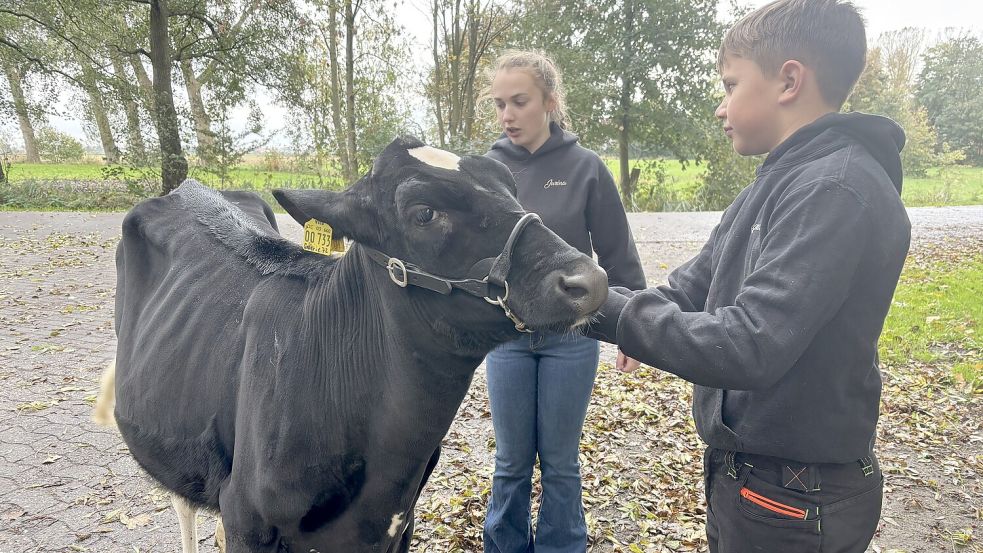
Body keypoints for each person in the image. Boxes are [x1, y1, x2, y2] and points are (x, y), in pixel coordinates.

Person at [591, 1, 911, 551]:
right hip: (756, 480)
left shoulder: (834, 189)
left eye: (730, 84)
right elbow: (694, 284)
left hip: (793, 496)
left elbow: (750, 344)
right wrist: (613, 305)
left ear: (789, 80)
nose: (720, 107)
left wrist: (604, 309)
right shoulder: (780, 182)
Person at [482, 50, 646, 553]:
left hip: (570, 340)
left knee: (559, 461)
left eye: (519, 101)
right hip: (506, 339)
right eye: (499, 104)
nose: (507, 115)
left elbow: (618, 257)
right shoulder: (486, 170)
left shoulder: (586, 168)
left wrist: (632, 328)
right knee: (510, 462)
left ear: (549, 102)